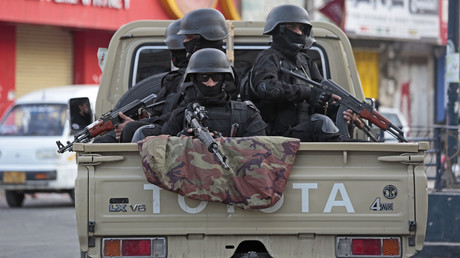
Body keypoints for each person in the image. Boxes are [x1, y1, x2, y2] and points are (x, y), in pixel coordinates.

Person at [246, 4, 354, 142]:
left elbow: (321, 94)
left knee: (334, 125)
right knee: (322, 124)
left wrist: (334, 107)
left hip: (302, 133)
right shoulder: (269, 57)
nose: (299, 32)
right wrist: (308, 92)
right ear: (279, 29)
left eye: (301, 28)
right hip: (277, 138)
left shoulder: (305, 62)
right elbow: (266, 88)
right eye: (293, 27)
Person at [159, 48, 267, 139]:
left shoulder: (247, 114)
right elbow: (161, 151)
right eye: (204, 77)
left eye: (216, 77)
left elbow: (260, 152)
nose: (210, 83)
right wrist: (182, 141)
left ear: (224, 78)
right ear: (194, 79)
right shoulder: (180, 116)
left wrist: (223, 143)